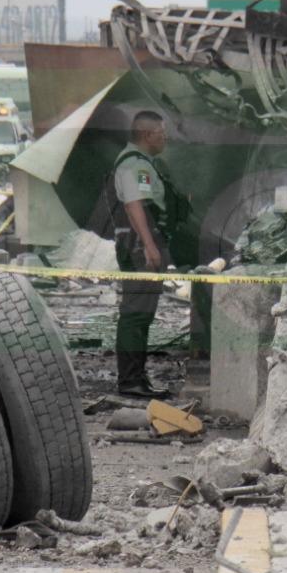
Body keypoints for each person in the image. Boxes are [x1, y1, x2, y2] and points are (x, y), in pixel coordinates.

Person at [109, 110, 184, 399]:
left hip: (142, 243)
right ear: (147, 134)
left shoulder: (142, 164)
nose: (165, 138)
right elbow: (135, 205)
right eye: (162, 133)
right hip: (140, 246)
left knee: (141, 314)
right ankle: (130, 383)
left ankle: (136, 379)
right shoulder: (134, 166)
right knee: (135, 314)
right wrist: (150, 245)